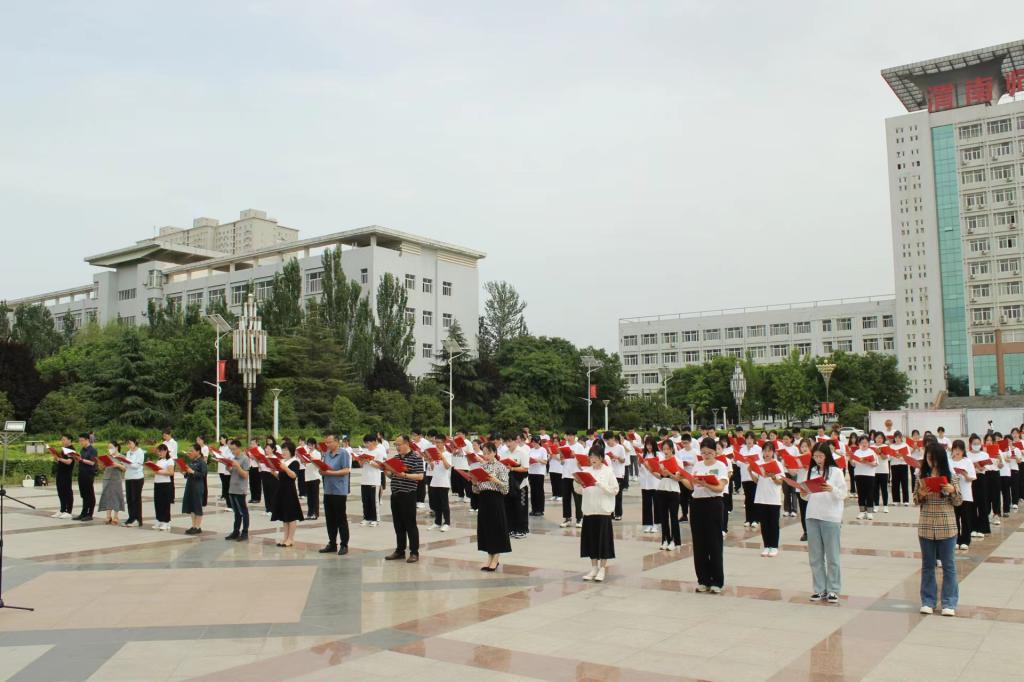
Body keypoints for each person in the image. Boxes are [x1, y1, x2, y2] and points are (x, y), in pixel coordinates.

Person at [915, 441, 962, 616]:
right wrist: (921, 494)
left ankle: (949, 602)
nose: (931, 462)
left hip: (946, 525)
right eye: (928, 458)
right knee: (928, 565)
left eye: (934, 459)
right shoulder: (921, 477)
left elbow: (959, 502)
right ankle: (928, 601)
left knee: (949, 565)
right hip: (926, 525)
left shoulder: (951, 476)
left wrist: (952, 490)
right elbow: (915, 500)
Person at [681, 437, 729, 593]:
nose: (706, 456)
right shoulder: (698, 465)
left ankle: (717, 581)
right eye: (703, 453)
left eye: (709, 453)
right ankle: (703, 579)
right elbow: (691, 486)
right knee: (699, 543)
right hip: (697, 505)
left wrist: (706, 483)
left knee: (714, 543)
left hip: (713, 504)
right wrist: (681, 478)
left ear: (715, 452)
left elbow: (720, 488)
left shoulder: (721, 466)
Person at [804, 442, 847, 603]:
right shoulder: (812, 471)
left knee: (832, 555)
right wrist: (803, 492)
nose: (818, 460)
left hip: (831, 516)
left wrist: (832, 489)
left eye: (820, 456)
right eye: (815, 456)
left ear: (827, 456)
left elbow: (843, 494)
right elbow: (808, 495)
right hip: (812, 515)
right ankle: (819, 589)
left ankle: (833, 589)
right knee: (815, 556)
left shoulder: (836, 472)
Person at [576, 440, 619, 582]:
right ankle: (593, 567)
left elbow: (615, 490)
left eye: (595, 457)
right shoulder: (586, 471)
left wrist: (599, 484)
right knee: (591, 541)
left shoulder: (608, 471)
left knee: (603, 541)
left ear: (601, 458)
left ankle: (602, 569)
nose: (592, 459)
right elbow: (579, 491)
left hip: (603, 511)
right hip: (589, 510)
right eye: (590, 457)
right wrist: (580, 484)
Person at [384, 435, 425, 563]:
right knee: (398, 524)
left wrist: (405, 475)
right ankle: (400, 551)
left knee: (410, 524)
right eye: (395, 445)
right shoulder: (396, 458)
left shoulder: (416, 458)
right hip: (395, 494)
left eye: (399, 444)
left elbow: (420, 476)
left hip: (408, 494)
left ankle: (414, 552)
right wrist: (385, 470)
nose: (397, 447)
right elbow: (393, 476)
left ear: (406, 443)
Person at [473, 441, 511, 571]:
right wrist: (474, 482)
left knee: (496, 528)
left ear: (494, 452)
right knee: (486, 529)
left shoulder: (501, 467)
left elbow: (506, 489)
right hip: (483, 499)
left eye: (488, 453)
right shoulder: (481, 467)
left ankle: (496, 558)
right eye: (484, 453)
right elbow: (476, 490)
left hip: (496, 499)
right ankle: (489, 557)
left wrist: (495, 480)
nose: (486, 456)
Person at [319, 434, 352, 555]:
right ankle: (332, 543)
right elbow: (323, 469)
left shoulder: (343, 453)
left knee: (341, 518)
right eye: (326, 442)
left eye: (329, 442)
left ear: (337, 442)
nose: (327, 444)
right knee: (330, 518)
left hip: (339, 490)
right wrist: (321, 470)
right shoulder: (326, 454)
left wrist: (330, 472)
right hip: (328, 489)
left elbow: (346, 470)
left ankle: (344, 544)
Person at [750, 442, 783, 557]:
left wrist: (773, 477)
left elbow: (780, 482)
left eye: (769, 451)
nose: (767, 453)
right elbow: (756, 480)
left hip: (773, 498)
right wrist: (750, 471)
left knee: (773, 523)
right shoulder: (759, 464)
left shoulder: (777, 464)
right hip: (761, 497)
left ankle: (774, 547)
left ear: (773, 452)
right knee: (764, 524)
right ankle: (766, 546)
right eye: (765, 451)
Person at [272, 441, 305, 547]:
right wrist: (273, 472)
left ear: (291, 451)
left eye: (286, 450)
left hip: (289, 491)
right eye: (283, 450)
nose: (284, 452)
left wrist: (285, 468)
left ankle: (291, 538)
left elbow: (293, 476)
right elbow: (280, 477)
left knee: (291, 515)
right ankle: (285, 538)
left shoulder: (294, 462)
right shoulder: (282, 461)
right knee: (284, 515)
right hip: (281, 490)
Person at [655, 439, 683, 550]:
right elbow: (660, 476)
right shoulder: (661, 461)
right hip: (662, 489)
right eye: (664, 449)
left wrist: (669, 473)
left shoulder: (677, 461)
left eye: (667, 449)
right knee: (663, 517)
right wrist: (652, 470)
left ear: (672, 449)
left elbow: (678, 478)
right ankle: (665, 539)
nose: (665, 451)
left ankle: (675, 541)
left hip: (673, 491)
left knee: (673, 517)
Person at [949, 439, 976, 552]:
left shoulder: (967, 461)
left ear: (963, 450)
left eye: (960, 449)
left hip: (965, 494)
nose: (957, 451)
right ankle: (955, 540)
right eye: (955, 449)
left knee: (965, 519)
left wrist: (965, 475)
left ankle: (965, 540)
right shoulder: (949, 461)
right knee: (954, 518)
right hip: (953, 494)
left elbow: (972, 477)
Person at [224, 439, 250, 541]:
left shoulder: (245, 459)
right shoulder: (233, 458)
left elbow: (245, 475)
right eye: (231, 449)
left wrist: (238, 466)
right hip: (232, 488)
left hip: (240, 489)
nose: (232, 451)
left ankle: (245, 532)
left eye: (234, 449)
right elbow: (233, 473)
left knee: (243, 512)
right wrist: (229, 468)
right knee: (236, 512)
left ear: (239, 448)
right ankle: (235, 531)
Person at [180, 443, 207, 535]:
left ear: (198, 451)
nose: (190, 452)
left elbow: (203, 475)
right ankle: (193, 525)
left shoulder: (202, 462)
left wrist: (192, 471)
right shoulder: (192, 461)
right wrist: (185, 473)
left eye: (192, 451)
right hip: (190, 485)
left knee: (197, 506)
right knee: (191, 506)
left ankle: (198, 527)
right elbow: (188, 474)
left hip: (197, 486)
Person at [359, 434, 385, 527]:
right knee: (365, 500)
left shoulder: (378, 452)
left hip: (374, 480)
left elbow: (380, 466)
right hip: (364, 479)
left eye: (368, 442)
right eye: (365, 443)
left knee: (374, 500)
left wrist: (369, 461)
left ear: (374, 442)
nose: (366, 444)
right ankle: (366, 518)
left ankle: (375, 519)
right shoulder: (364, 451)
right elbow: (361, 465)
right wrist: (361, 460)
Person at [97, 441, 126, 525]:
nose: (109, 449)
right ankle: (108, 516)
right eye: (108, 447)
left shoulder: (121, 457)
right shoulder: (107, 456)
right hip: (106, 478)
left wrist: (117, 465)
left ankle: (116, 516)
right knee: (107, 496)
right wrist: (100, 463)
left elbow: (124, 468)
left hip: (116, 479)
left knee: (116, 496)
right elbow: (101, 468)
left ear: (116, 447)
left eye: (111, 447)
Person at [427, 435, 452, 531]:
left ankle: (447, 523)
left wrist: (442, 457)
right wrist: (430, 461)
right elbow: (434, 468)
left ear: (444, 443)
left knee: (444, 504)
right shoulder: (434, 453)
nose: (437, 444)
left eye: (439, 442)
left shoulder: (447, 454)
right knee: (436, 504)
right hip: (435, 481)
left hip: (443, 482)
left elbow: (447, 467)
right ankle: (437, 522)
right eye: (436, 442)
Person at [739, 432, 762, 529]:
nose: (749, 440)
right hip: (745, 476)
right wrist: (742, 461)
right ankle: (748, 519)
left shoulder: (758, 449)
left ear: (754, 439)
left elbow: (760, 462)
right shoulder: (742, 449)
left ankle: (756, 519)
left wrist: (752, 462)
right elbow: (738, 462)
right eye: (747, 438)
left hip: (754, 476)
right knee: (747, 498)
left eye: (751, 438)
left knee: (754, 498)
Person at [120, 437, 145, 527]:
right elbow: (127, 465)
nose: (129, 445)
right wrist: (123, 462)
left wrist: (127, 463)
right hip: (128, 477)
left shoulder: (140, 452)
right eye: (128, 443)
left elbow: (136, 466)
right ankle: (131, 517)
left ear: (135, 443)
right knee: (129, 499)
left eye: (130, 443)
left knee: (136, 499)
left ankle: (138, 519)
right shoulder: (128, 452)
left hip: (137, 478)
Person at [852, 436, 877, 520]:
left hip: (869, 475)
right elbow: (853, 464)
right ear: (859, 443)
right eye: (862, 442)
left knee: (870, 494)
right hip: (859, 475)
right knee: (861, 494)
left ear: (868, 443)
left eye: (866, 442)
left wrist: (866, 462)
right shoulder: (857, 452)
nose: (864, 444)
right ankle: (862, 512)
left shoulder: (872, 452)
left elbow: (875, 464)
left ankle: (869, 512)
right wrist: (850, 459)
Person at [638, 436, 660, 533]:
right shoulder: (643, 455)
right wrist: (640, 463)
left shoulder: (658, 454)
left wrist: (648, 466)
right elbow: (641, 470)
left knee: (656, 504)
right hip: (645, 483)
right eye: (647, 445)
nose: (649, 447)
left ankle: (656, 524)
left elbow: (658, 468)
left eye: (650, 445)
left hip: (655, 483)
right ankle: (648, 524)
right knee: (646, 504)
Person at [52, 434, 76, 519]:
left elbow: (69, 461)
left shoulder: (71, 450)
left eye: (64, 439)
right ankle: (62, 509)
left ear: (69, 440)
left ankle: (68, 511)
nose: (62, 441)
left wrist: (59, 459)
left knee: (67, 491)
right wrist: (57, 459)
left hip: (66, 473)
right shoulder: (64, 449)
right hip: (60, 472)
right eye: (62, 439)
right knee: (60, 491)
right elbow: (62, 460)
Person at [75, 433, 97, 521]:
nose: (80, 442)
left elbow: (92, 462)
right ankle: (83, 513)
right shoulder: (82, 450)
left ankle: (90, 514)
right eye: (79, 441)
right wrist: (77, 458)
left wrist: (82, 460)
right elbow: (81, 460)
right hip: (82, 473)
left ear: (87, 440)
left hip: (89, 474)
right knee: (83, 494)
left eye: (82, 440)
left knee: (89, 494)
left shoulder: (92, 450)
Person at [152, 443, 175, 531]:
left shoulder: (169, 460)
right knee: (157, 503)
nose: (159, 453)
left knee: (165, 503)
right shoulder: (159, 460)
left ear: (165, 451)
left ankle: (166, 521)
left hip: (165, 484)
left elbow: (171, 472)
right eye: (158, 451)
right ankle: (159, 519)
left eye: (161, 451)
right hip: (157, 483)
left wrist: (159, 471)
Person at [527, 436, 548, 517]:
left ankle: (540, 510)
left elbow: (545, 461)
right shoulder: (531, 450)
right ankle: (534, 509)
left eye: (535, 442)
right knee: (533, 491)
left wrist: (538, 460)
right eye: (532, 442)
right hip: (531, 472)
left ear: (539, 442)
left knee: (539, 491)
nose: (534, 444)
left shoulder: (543, 450)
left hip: (539, 472)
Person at [303, 438, 322, 520]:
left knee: (315, 497)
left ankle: (315, 513)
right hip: (307, 477)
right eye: (308, 445)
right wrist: (302, 459)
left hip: (315, 477)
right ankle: (310, 513)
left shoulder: (317, 453)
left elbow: (318, 465)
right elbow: (305, 464)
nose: (309, 446)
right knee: (309, 497)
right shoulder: (307, 453)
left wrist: (311, 459)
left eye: (310, 445)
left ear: (314, 445)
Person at [262, 435, 280, 517]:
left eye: (268, 448)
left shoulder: (275, 458)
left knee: (272, 493)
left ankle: (273, 510)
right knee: (266, 493)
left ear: (273, 449)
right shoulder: (264, 457)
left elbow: (277, 469)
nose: (266, 450)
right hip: (264, 475)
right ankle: (268, 509)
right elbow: (262, 467)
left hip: (272, 476)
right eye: (266, 448)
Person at [247, 437, 263, 504]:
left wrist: (255, 457)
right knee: (252, 483)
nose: (252, 445)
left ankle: (257, 498)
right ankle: (253, 497)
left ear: (257, 443)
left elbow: (262, 460)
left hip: (257, 468)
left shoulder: (260, 449)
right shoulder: (251, 450)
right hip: (251, 467)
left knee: (257, 483)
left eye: (253, 443)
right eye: (251, 443)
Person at [217, 435, 231, 502]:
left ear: (225, 439)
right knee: (223, 482)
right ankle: (223, 495)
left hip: (225, 466)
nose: (221, 440)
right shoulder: (220, 447)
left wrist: (221, 456)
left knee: (226, 482)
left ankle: (226, 495)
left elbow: (227, 457)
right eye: (220, 439)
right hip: (220, 465)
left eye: (222, 439)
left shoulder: (228, 447)